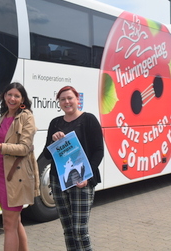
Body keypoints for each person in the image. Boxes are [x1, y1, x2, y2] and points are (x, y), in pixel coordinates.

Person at [0, 82, 39, 251]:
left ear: (22, 99)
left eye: (16, 96)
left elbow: (24, 148)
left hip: (15, 176)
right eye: (9, 95)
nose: (12, 98)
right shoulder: (4, 114)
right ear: (4, 96)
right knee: (14, 220)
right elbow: (3, 140)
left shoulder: (26, 116)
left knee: (8, 225)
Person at [42, 86, 104, 251]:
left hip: (81, 181)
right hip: (58, 181)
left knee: (79, 230)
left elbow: (99, 151)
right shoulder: (55, 123)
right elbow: (47, 155)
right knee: (68, 229)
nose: (67, 102)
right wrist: (53, 142)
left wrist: (86, 177)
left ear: (77, 99)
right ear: (59, 103)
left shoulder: (89, 120)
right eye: (63, 99)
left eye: (70, 98)